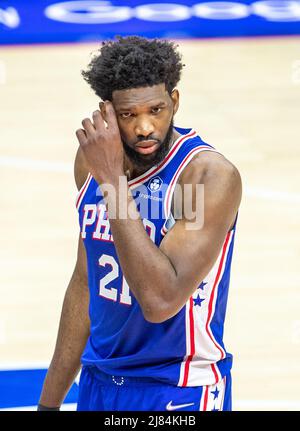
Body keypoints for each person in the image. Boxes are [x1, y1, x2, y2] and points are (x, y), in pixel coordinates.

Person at [38, 36, 242, 412]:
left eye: (157, 110)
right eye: (129, 115)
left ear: (175, 102)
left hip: (176, 389)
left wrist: (113, 183)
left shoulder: (202, 177)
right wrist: (49, 403)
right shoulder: (91, 164)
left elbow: (160, 300)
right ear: (108, 112)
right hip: (99, 383)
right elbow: (85, 284)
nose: (146, 127)